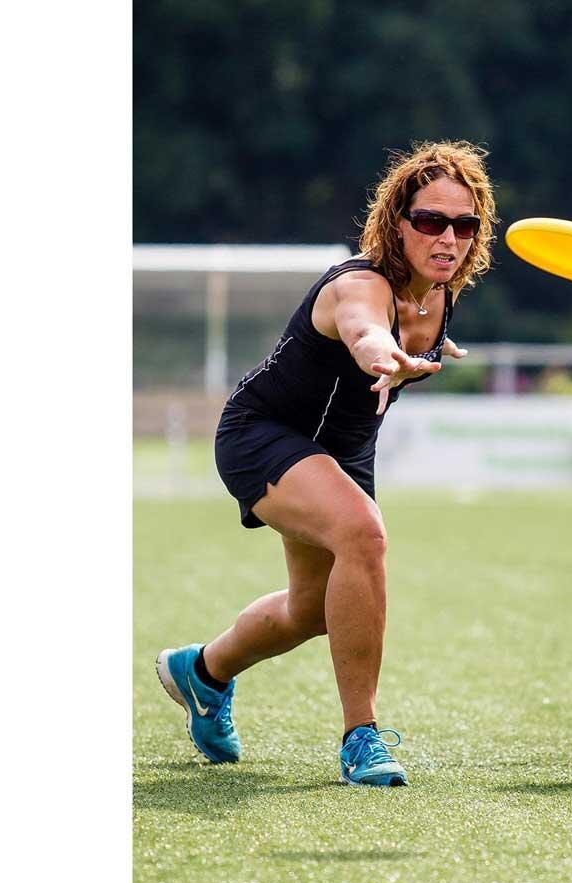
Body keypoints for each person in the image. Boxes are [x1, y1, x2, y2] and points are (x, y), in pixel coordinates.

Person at [156, 140, 497, 787]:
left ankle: (202, 671)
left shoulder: (437, 297)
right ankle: (361, 736)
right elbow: (364, 328)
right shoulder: (360, 285)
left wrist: (426, 346)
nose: (448, 237)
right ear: (398, 223)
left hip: (341, 454)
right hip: (264, 433)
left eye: (464, 224)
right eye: (430, 220)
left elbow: (405, 328)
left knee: (313, 610)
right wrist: (382, 353)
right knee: (364, 534)